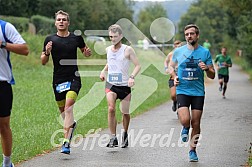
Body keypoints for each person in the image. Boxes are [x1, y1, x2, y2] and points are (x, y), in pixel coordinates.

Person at [41, 10, 91, 154]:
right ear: (55, 23)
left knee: (69, 108)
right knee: (63, 112)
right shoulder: (50, 40)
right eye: (59, 20)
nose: (61, 22)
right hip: (58, 80)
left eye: (64, 19)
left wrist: (87, 53)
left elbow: (85, 51)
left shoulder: (76, 38)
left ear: (68, 22)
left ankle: (66, 142)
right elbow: (43, 62)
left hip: (74, 77)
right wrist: (47, 52)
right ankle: (71, 125)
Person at [169, 24, 215, 162]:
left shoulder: (205, 52)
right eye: (187, 34)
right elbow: (170, 67)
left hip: (198, 92)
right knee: (185, 120)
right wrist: (174, 76)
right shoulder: (179, 51)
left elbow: (212, 75)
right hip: (182, 89)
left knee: (196, 122)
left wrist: (207, 68)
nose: (189, 36)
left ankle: (192, 151)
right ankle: (185, 126)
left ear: (197, 35)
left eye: (192, 34)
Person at [99, 24, 141, 148]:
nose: (113, 39)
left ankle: (125, 133)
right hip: (111, 84)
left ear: (121, 36)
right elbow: (110, 62)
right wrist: (103, 71)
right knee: (111, 108)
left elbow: (138, 65)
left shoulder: (128, 50)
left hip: (124, 86)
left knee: (125, 112)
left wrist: (132, 77)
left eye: (115, 37)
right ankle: (113, 137)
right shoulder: (108, 50)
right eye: (111, 37)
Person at [0, 19, 29, 167]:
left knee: (3, 126)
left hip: (2, 84)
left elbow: (25, 49)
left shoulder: (4, 27)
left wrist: (3, 44)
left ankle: (7, 162)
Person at [164, 40, 182, 112]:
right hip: (173, 77)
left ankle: (180, 109)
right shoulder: (171, 54)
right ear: (174, 46)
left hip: (182, 77)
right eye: (176, 45)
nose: (178, 47)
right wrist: (166, 68)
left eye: (179, 46)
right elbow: (166, 61)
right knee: (173, 95)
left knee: (181, 95)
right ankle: (175, 102)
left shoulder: (184, 54)